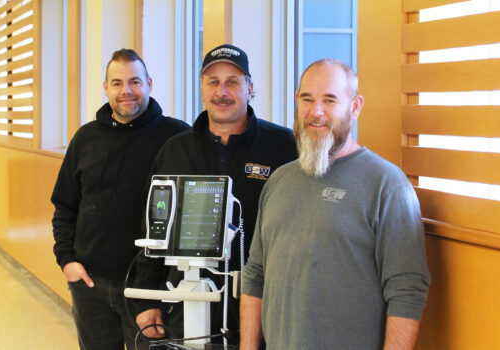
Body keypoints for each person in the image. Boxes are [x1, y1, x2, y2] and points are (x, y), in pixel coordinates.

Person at [240, 58, 431, 350]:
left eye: (330, 100)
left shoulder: (387, 185)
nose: (316, 112)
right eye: (308, 99)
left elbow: (406, 293)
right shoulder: (279, 181)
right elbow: (255, 275)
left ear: (355, 107)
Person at [133, 44, 298, 346]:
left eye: (232, 81)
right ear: (202, 89)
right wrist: (145, 300)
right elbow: (153, 226)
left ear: (250, 88)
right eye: (213, 81)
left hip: (262, 307)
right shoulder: (176, 150)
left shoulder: (283, 147)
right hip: (186, 303)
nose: (222, 91)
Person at [51, 48, 190, 350]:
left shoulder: (177, 138)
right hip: (91, 286)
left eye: (135, 82)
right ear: (106, 88)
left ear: (150, 84)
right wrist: (67, 261)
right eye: (117, 83)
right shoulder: (86, 138)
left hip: (151, 291)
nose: (126, 91)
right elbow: (64, 207)